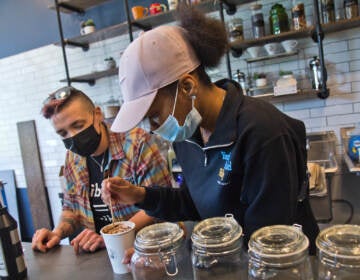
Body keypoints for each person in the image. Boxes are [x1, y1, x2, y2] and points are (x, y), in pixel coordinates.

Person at [102, 6, 319, 254]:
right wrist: (140, 195)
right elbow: (194, 203)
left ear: (187, 87)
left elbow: (269, 242)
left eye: (153, 116)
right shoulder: (188, 134)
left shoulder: (263, 133)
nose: (152, 129)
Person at [32, 86, 172, 254]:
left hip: (146, 250)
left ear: (97, 114)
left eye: (78, 125)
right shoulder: (72, 157)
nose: (72, 137)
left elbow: (161, 204)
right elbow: (71, 207)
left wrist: (112, 237)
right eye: (63, 133)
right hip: (101, 253)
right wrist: (57, 233)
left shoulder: (137, 144)